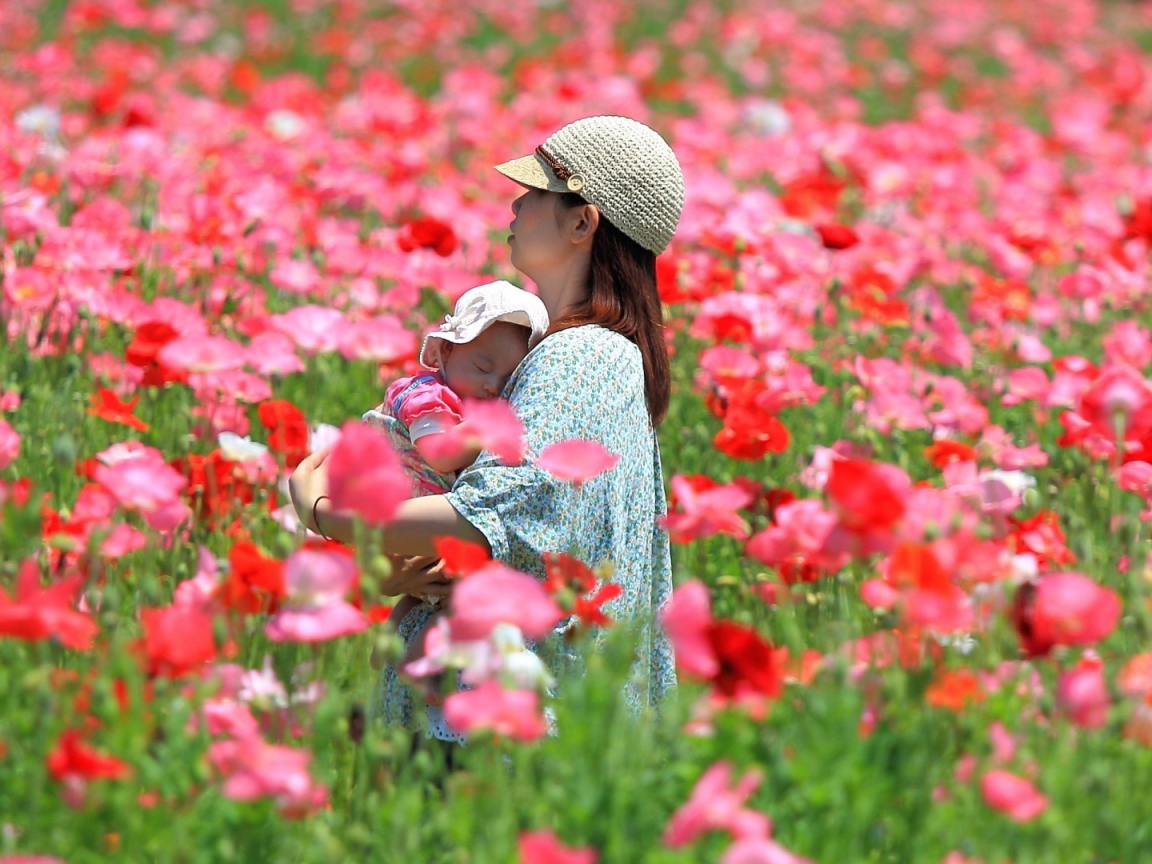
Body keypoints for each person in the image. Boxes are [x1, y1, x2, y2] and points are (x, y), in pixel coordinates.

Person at [289, 114, 684, 744]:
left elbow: (492, 515)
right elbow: (525, 548)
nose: (516, 202)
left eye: (535, 192)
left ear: (583, 222)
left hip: (496, 724)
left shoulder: (582, 355)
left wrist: (323, 512)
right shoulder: (585, 354)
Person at [361, 280, 549, 669]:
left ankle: (391, 655)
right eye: (483, 366)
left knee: (425, 598)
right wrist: (492, 424)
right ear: (445, 349)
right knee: (464, 595)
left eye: (506, 381)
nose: (491, 384)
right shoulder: (426, 395)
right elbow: (439, 453)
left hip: (423, 529)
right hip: (411, 520)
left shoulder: (457, 399)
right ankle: (414, 665)